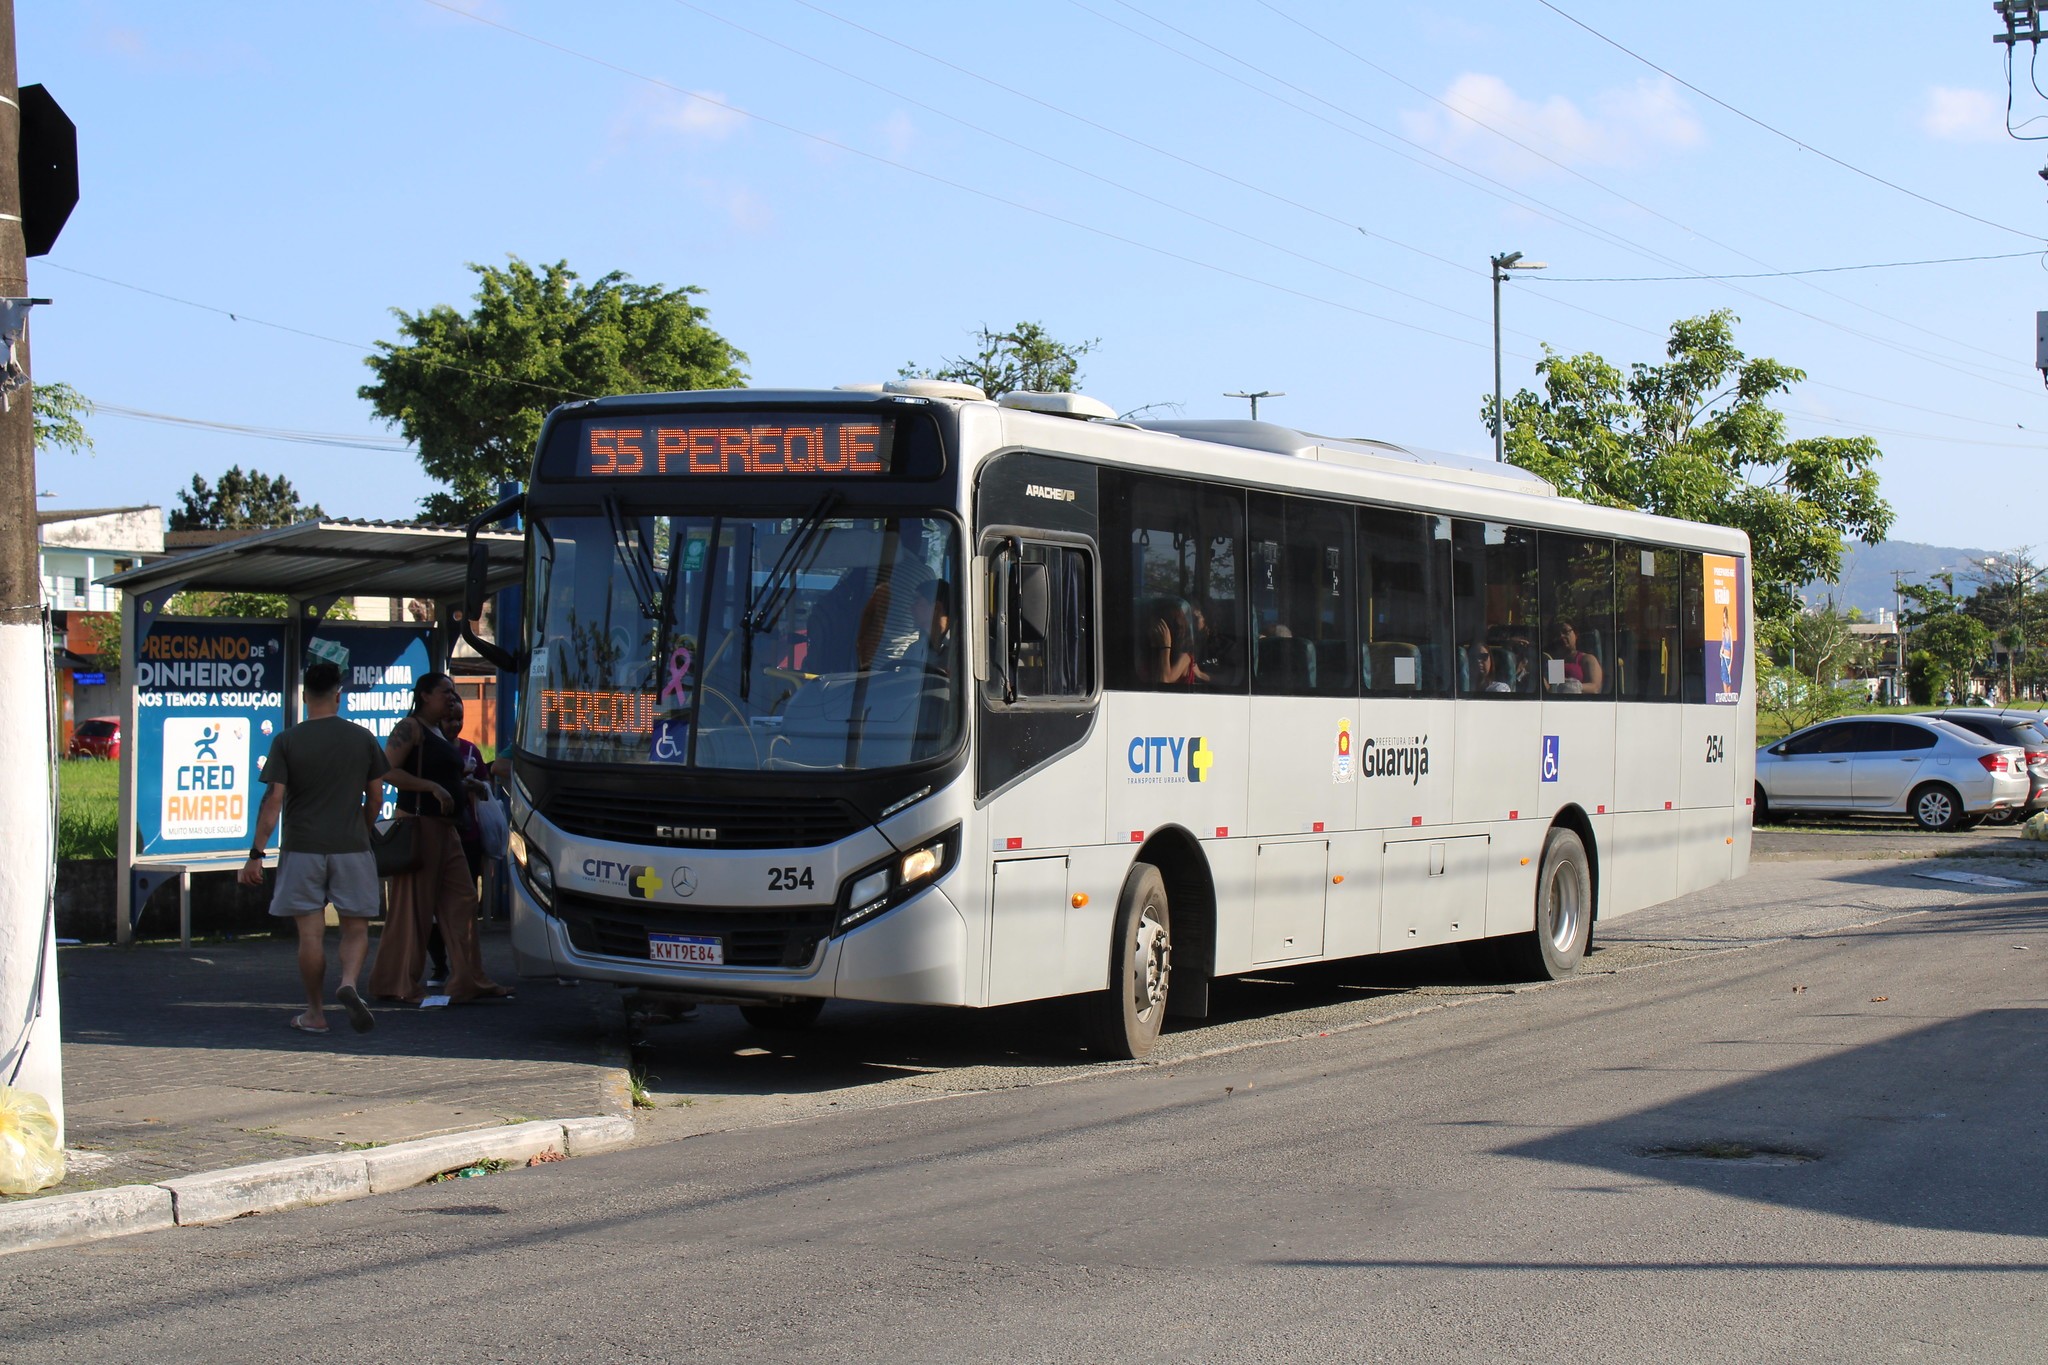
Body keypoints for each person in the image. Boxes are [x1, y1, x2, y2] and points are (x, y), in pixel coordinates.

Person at [238, 660, 428, 1034]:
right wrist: (362, 826)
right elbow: (376, 795)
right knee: (355, 928)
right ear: (338, 696)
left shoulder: (287, 740)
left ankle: (315, 1013)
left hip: (303, 848)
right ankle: (348, 983)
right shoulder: (361, 738)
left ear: (306, 696)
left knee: (310, 934)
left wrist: (256, 854)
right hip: (353, 848)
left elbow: (272, 801)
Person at [366, 673, 512, 1006]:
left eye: (452, 692)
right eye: (445, 692)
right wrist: (431, 787)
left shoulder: (437, 731)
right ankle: (398, 981)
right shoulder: (410, 727)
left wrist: (464, 786)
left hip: (449, 828)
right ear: (424, 695)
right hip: (420, 826)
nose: (451, 697)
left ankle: (469, 979)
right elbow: (387, 770)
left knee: (463, 900)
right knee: (414, 906)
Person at [1547, 619, 1605, 695]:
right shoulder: (1556, 661)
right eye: (1558, 634)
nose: (1561, 636)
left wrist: (1576, 687)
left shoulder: (1587, 659)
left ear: (1576, 634)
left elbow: (1595, 688)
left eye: (1565, 631)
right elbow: (1554, 689)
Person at [913, 578, 953, 675]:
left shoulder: (966, 650)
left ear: (937, 608)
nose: (911, 608)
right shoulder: (914, 650)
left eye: (917, 601)